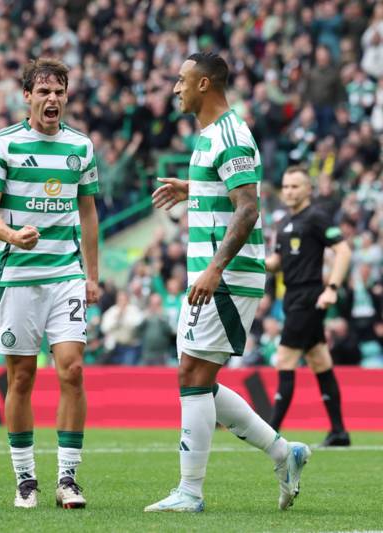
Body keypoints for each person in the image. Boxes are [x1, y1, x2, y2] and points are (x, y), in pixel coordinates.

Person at [145, 53, 310, 513]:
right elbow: (228, 194)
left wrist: (216, 268)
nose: (174, 88)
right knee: (200, 379)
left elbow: (248, 208)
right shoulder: (208, 137)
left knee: (192, 376)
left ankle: (190, 493)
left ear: (203, 84)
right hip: (213, 275)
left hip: (227, 276)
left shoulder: (232, 136)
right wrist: (192, 189)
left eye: (181, 80)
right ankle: (285, 453)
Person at [0, 58, 100, 509]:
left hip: (65, 274)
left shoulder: (81, 148)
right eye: (44, 91)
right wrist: (11, 236)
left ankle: (68, 479)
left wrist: (92, 274)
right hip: (18, 276)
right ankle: (25, 479)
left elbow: (88, 212)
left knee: (72, 369)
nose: (53, 99)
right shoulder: (2, 145)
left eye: (60, 91)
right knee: (22, 377)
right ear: (26, 96)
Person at [266, 166, 352, 446]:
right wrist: (246, 261)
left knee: (285, 358)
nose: (289, 191)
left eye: (295, 186)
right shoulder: (284, 223)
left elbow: (343, 250)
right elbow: (276, 264)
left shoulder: (316, 217)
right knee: (319, 361)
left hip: (309, 296)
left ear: (308, 190)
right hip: (292, 297)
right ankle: (339, 431)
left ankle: (269, 434)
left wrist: (332, 289)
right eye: (286, 186)